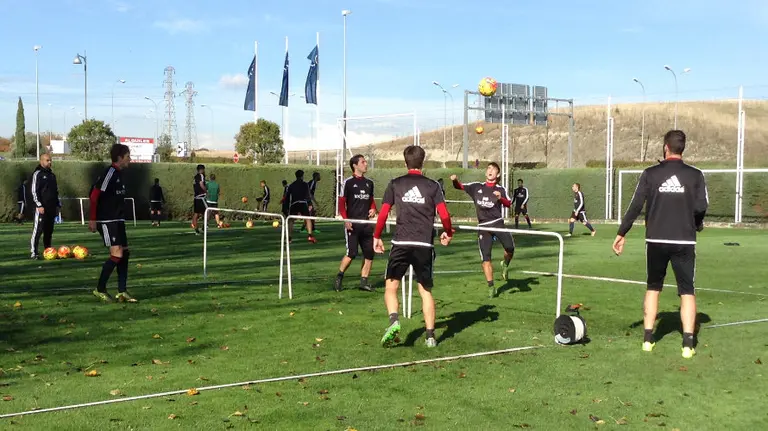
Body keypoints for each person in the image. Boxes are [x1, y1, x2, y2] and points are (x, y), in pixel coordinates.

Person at [612, 130, 708, 359]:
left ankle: (648, 339)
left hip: (655, 240)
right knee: (687, 291)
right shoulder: (696, 175)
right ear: (682, 148)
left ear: (665, 147)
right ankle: (688, 344)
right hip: (684, 241)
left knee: (653, 287)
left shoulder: (650, 174)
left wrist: (622, 232)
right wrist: (696, 224)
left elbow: (635, 205)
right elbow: (701, 207)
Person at [374, 145, 454, 348]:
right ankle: (430, 337)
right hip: (424, 244)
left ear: (405, 162)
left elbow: (383, 213)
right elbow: (444, 214)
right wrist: (448, 232)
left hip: (401, 242)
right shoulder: (433, 186)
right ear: (423, 161)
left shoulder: (395, 184)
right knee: (425, 291)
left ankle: (394, 320)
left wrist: (377, 236)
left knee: (391, 286)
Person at [451, 162, 515, 298]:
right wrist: (455, 180)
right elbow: (459, 186)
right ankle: (491, 288)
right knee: (486, 258)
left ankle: (505, 263)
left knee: (510, 248)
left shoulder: (500, 189)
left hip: (497, 224)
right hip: (483, 227)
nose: (490, 171)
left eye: (493, 169)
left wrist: (500, 198)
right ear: (486, 172)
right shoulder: (476, 187)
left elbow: (509, 203)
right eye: (488, 168)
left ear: (498, 174)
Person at [89, 143, 137, 303]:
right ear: (119, 157)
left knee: (125, 252)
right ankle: (100, 289)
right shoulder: (109, 173)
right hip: (107, 219)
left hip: (118, 219)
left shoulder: (120, 174)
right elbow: (94, 195)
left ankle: (122, 291)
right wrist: (92, 219)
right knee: (117, 253)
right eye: (128, 156)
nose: (130, 159)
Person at [335, 155, 377, 293]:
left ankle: (364, 282)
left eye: (366, 161)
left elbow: (371, 200)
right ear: (355, 165)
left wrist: (373, 209)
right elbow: (341, 203)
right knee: (352, 253)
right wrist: (346, 220)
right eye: (363, 162)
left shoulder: (369, 183)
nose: (366, 164)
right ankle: (339, 277)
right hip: (352, 224)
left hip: (366, 224)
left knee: (369, 254)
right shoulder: (348, 182)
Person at [30, 153, 60, 259]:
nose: (50, 162)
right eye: (47, 160)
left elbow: (55, 192)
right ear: (41, 161)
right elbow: (34, 191)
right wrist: (39, 205)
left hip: (51, 208)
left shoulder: (52, 175)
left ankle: (48, 251)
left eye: (50, 160)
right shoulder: (37, 174)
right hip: (41, 208)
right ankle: (34, 252)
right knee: (38, 230)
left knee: (49, 231)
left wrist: (57, 205)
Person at [286, 170, 317, 244]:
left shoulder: (291, 185)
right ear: (302, 176)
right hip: (303, 203)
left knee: (291, 220)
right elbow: (308, 195)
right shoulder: (305, 184)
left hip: (294, 204)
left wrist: (286, 207)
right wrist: (309, 204)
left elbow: (287, 197)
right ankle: (310, 236)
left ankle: (289, 238)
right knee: (308, 219)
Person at [191, 164, 207, 234]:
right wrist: (206, 191)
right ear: (202, 170)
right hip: (201, 197)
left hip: (196, 197)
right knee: (207, 212)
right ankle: (204, 227)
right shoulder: (201, 176)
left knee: (196, 213)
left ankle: (196, 229)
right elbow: (201, 184)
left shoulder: (195, 177)